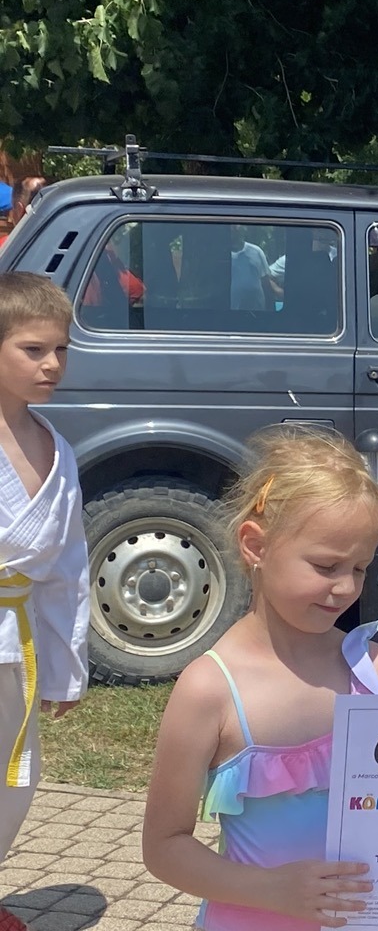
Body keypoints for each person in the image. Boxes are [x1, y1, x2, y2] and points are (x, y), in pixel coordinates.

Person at [141, 426, 378, 930]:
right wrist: (273, 890)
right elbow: (164, 846)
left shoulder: (373, 669)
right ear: (256, 545)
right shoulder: (210, 688)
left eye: (360, 567)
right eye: (326, 566)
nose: (346, 587)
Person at [0, 273, 89, 931]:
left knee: (14, 779)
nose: (52, 364)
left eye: (61, 349)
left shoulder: (57, 451)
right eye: (33, 349)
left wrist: (64, 669)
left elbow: (66, 569)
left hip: (18, 638)